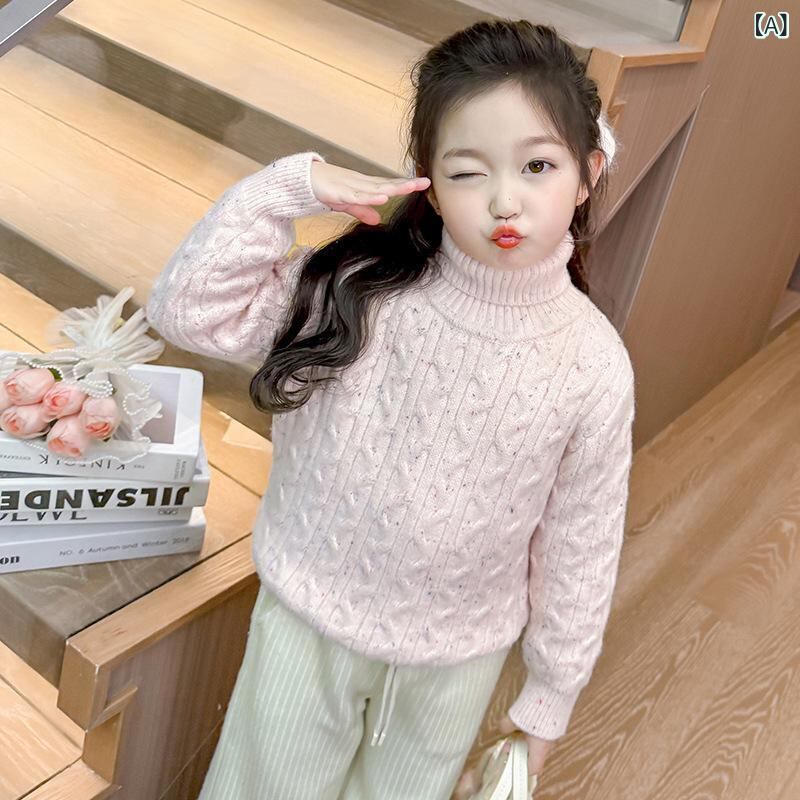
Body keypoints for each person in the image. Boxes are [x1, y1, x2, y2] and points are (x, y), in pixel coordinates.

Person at [145, 18, 635, 800]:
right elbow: (188, 310)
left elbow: (582, 541)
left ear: (588, 173)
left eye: (538, 165)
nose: (504, 201)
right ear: (428, 185)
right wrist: (292, 187)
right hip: (307, 623)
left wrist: (551, 695)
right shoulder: (358, 289)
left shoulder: (594, 365)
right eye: (467, 172)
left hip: (456, 661)